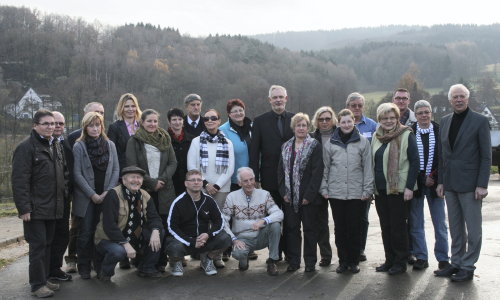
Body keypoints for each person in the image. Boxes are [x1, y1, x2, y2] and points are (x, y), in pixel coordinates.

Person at [435, 84, 491, 282]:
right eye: (455, 97)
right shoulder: (445, 121)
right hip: (450, 184)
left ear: (468, 98)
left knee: (473, 229)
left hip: (471, 185)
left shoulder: (480, 121)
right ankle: (456, 262)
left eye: (462, 96)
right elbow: (443, 156)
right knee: (455, 228)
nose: (458, 100)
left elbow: (486, 156)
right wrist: (441, 181)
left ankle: (468, 266)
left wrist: (482, 184)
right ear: (450, 100)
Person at [12, 109, 65, 298]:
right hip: (35, 209)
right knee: (38, 246)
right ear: (35, 125)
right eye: (46, 124)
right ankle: (37, 285)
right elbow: (19, 180)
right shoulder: (26, 147)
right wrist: (24, 208)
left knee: (49, 244)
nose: (51, 127)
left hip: (53, 207)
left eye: (53, 124)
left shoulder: (55, 145)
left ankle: (44, 278)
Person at [320, 109, 373, 274]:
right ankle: (343, 261)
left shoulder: (363, 142)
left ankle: (354, 261)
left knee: (354, 228)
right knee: (340, 228)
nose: (346, 124)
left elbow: (368, 168)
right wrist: (324, 187)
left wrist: (368, 189)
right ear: (338, 123)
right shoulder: (330, 144)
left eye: (349, 121)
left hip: (357, 193)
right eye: (343, 122)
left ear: (353, 122)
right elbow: (325, 168)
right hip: (336, 193)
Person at [126, 109, 177, 271]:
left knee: (163, 225)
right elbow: (132, 165)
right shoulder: (134, 141)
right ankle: (143, 262)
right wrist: (151, 182)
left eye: (155, 121)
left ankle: (161, 261)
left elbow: (172, 163)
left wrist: (161, 180)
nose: (152, 124)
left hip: (164, 190)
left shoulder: (165, 139)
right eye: (149, 121)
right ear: (142, 122)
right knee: (144, 227)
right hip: (143, 190)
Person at [372, 103, 419, 275]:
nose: (389, 121)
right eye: (385, 118)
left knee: (398, 228)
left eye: (392, 117)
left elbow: (415, 162)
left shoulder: (406, 134)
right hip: (380, 190)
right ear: (379, 120)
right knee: (386, 227)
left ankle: (400, 262)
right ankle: (389, 260)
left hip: (399, 190)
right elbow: (374, 162)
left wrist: (409, 187)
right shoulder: (377, 137)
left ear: (397, 118)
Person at [94, 166, 164, 281]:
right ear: (124, 180)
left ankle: (146, 268)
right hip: (108, 238)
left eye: (139, 178)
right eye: (133, 177)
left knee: (159, 231)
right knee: (118, 252)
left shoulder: (145, 195)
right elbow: (109, 225)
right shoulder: (113, 195)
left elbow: (155, 217)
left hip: (134, 236)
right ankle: (104, 272)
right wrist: (125, 244)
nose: (136, 180)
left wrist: (156, 231)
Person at [72, 112, 119, 279]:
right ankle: (83, 266)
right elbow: (77, 174)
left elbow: (115, 170)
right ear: (85, 127)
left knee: (102, 233)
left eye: (97, 125)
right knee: (85, 233)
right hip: (87, 198)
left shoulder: (110, 144)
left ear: (102, 126)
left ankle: (99, 265)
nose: (95, 128)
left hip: (106, 196)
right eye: (91, 125)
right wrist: (92, 195)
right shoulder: (79, 146)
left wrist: (108, 191)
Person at [250, 85, 294, 261]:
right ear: (269, 100)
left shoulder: (294, 119)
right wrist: (255, 178)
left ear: (286, 98)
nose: (278, 100)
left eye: (280, 97)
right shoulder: (260, 121)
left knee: (291, 221)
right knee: (273, 220)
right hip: (269, 178)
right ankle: (275, 255)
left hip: (292, 179)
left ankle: (291, 254)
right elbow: (254, 152)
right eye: (274, 97)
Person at [187, 109, 234, 267]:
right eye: (206, 118)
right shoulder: (196, 141)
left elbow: (230, 167)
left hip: (222, 189)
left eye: (214, 118)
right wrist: (206, 184)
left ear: (219, 121)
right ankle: (204, 258)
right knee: (203, 223)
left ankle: (217, 256)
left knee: (221, 222)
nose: (210, 120)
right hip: (201, 188)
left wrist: (217, 185)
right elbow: (192, 166)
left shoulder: (227, 142)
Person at [278, 113, 324, 272]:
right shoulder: (285, 147)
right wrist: (284, 192)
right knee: (291, 230)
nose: (301, 128)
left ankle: (310, 263)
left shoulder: (315, 145)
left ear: (308, 127)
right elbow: (280, 173)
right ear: (293, 127)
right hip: (289, 198)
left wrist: (308, 196)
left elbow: (317, 173)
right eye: (298, 125)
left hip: (308, 199)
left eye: (304, 125)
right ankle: (294, 261)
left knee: (310, 230)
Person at [166, 170, 232, 276]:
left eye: (199, 180)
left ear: (202, 183)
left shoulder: (209, 200)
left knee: (226, 238)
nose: (196, 182)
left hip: (204, 240)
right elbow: (172, 227)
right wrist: (191, 241)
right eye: (192, 180)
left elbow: (219, 221)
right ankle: (176, 262)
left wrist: (208, 234)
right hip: (185, 241)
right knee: (172, 245)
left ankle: (207, 259)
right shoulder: (178, 202)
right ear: (186, 183)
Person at [409, 100, 450, 271]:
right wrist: (421, 178)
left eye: (427, 112)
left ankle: (443, 258)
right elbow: (409, 160)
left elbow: (445, 158)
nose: (424, 115)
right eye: (420, 113)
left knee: (440, 223)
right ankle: (421, 257)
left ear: (431, 113)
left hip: (436, 185)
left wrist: (438, 179)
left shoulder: (440, 130)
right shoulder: (409, 132)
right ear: (416, 115)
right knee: (416, 223)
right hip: (417, 185)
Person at [65, 101, 105, 273]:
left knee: (97, 228)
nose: (99, 115)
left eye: (102, 113)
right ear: (85, 114)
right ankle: (74, 259)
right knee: (78, 227)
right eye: (95, 112)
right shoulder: (74, 138)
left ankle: (93, 262)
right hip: (81, 192)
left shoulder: (105, 138)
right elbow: (72, 168)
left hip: (102, 192)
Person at [222, 167, 283, 275]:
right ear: (239, 183)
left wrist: (264, 220)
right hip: (242, 239)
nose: (250, 183)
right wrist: (234, 239)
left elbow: (279, 213)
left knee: (275, 225)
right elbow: (224, 221)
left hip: (261, 235)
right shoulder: (232, 197)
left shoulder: (264, 194)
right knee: (238, 254)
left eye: (251, 179)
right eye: (245, 181)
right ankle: (243, 260)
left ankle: (272, 261)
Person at [346, 92, 377, 262]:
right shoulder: (341, 125)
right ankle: (348, 248)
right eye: (353, 105)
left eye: (359, 105)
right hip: (346, 180)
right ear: (348, 107)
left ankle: (360, 249)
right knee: (346, 218)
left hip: (365, 178)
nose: (357, 108)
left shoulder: (372, 126)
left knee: (363, 217)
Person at [48, 112, 73, 282]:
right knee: (47, 237)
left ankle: (55, 268)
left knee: (62, 235)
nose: (57, 126)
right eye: (55, 123)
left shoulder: (66, 144)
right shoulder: (42, 145)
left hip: (64, 198)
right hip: (47, 200)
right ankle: (45, 272)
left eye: (61, 124)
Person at [310, 106, 337, 267]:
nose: (325, 122)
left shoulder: (341, 135)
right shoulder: (312, 138)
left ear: (333, 119)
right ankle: (326, 255)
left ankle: (346, 256)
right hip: (319, 185)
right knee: (321, 223)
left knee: (341, 223)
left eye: (328, 118)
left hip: (339, 184)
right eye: (321, 119)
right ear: (317, 122)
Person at [219, 99, 252, 192]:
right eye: (235, 111)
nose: (238, 113)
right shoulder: (222, 131)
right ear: (229, 114)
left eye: (241, 110)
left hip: (252, 178)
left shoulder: (252, 127)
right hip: (234, 181)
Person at [108, 93, 142, 173]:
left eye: (133, 106)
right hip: (124, 172)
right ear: (121, 108)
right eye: (127, 106)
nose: (130, 109)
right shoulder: (114, 128)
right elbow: (111, 155)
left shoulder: (142, 126)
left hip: (143, 171)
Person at [167, 108, 194, 196]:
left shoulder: (192, 139)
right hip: (170, 179)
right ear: (169, 122)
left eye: (180, 119)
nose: (177, 122)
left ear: (183, 121)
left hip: (188, 179)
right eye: (174, 119)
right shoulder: (163, 139)